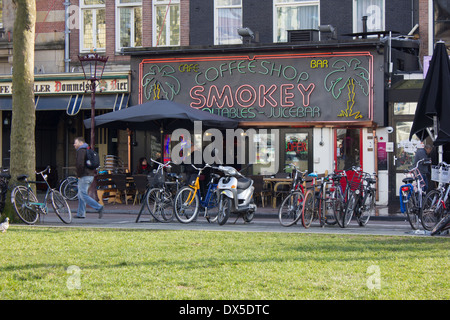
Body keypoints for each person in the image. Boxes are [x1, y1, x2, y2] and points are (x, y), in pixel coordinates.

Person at [74, 137, 104, 219]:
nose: (74, 144)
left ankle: (98, 207)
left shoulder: (81, 151)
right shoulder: (88, 149)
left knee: (83, 195)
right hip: (90, 175)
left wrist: (79, 175)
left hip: (84, 175)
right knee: (81, 195)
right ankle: (81, 213)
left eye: (75, 143)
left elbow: (80, 164)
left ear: (81, 143)